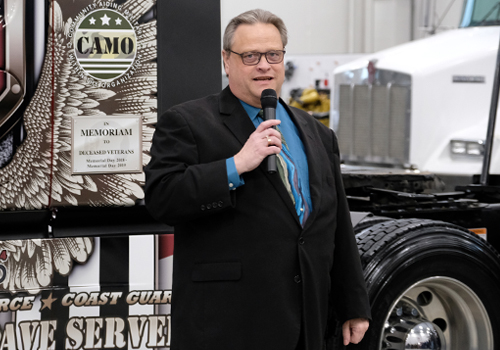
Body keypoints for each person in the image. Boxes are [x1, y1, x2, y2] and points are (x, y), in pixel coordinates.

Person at [145, 8, 371, 350]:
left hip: (306, 322)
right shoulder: (187, 122)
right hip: (229, 324)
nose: (263, 65)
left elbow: (336, 223)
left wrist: (353, 304)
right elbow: (162, 197)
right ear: (226, 60)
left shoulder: (317, 133)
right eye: (250, 56)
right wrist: (237, 164)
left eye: (273, 55)